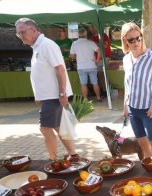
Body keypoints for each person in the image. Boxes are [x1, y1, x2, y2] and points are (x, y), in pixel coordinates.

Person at [15, 18, 78, 161]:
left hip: (54, 96)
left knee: (45, 128)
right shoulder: (37, 46)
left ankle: (52, 160)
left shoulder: (46, 45)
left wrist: (62, 93)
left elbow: (60, 69)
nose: (21, 36)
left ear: (33, 29)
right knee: (57, 127)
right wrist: (39, 95)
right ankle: (73, 155)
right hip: (48, 97)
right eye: (18, 34)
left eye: (23, 32)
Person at [121, 22, 152, 161]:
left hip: (150, 111)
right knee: (144, 147)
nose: (136, 42)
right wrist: (125, 105)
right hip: (133, 110)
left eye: (138, 37)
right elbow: (128, 85)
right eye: (132, 40)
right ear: (125, 40)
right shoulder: (126, 59)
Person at [70, 28, 102, 102]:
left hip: (81, 67)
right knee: (95, 83)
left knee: (83, 84)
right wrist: (97, 60)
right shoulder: (90, 42)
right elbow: (99, 51)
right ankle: (98, 98)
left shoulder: (74, 43)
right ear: (85, 34)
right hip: (92, 65)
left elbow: (72, 55)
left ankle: (85, 100)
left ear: (78, 34)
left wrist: (76, 59)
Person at [89, 25, 111, 95]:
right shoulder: (92, 37)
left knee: (101, 74)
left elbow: (105, 45)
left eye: (92, 28)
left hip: (104, 57)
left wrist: (94, 43)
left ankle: (106, 90)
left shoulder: (103, 35)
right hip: (97, 59)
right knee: (98, 75)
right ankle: (103, 90)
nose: (91, 30)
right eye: (90, 29)